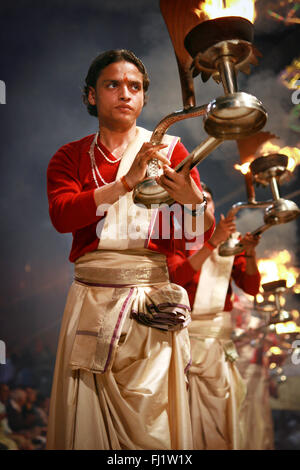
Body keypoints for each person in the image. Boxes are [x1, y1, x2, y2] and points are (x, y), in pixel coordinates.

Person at [46, 49, 215, 450]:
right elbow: (62, 217)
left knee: (153, 431)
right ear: (91, 96)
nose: (125, 93)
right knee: (87, 425)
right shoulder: (68, 156)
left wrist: (195, 203)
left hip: (150, 306)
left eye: (135, 87)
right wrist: (125, 183)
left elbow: (198, 232)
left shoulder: (170, 151)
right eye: (113, 85)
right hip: (90, 301)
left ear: (144, 99)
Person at [167, 182, 261, 450]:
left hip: (218, 346)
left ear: (212, 207)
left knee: (220, 412)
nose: (201, 207)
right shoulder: (173, 239)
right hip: (183, 343)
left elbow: (252, 288)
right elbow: (178, 277)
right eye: (194, 202)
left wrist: (250, 252)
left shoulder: (232, 242)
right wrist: (213, 242)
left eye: (205, 201)